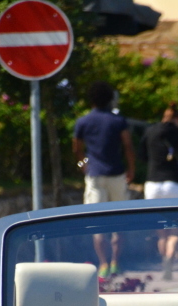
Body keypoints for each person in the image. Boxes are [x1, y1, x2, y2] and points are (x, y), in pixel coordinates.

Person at [73, 81, 136, 282]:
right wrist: (132, 169)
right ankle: (116, 262)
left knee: (96, 221)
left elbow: (76, 149)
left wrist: (83, 165)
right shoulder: (118, 121)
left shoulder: (83, 122)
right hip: (117, 174)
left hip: (95, 175)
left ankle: (103, 264)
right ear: (110, 99)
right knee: (120, 220)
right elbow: (128, 146)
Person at [142, 103, 178, 280]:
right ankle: (170, 257)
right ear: (176, 118)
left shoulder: (150, 130)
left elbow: (142, 155)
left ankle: (163, 259)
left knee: (160, 230)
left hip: (152, 184)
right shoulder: (177, 132)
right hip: (173, 183)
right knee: (176, 230)